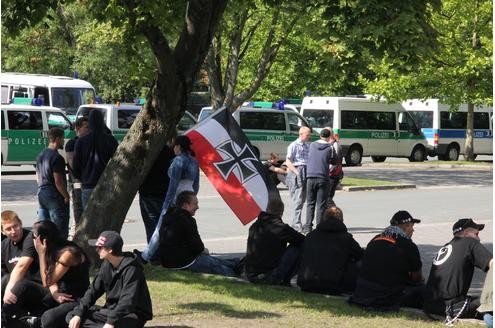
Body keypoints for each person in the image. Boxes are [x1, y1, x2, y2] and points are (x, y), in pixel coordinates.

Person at [3, 220, 90, 328]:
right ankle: (4, 318)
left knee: (48, 319)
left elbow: (47, 281)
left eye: (34, 237)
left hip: (72, 298)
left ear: (43, 239)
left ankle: (32, 322)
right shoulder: (50, 249)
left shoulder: (68, 253)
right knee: (22, 286)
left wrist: (41, 253)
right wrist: (54, 293)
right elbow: (51, 281)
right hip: (56, 293)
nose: (32, 240)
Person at [66, 231, 153, 328]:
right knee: (72, 316)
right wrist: (79, 313)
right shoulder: (106, 264)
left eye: (100, 247)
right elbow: (93, 291)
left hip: (132, 314)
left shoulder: (132, 270)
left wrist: (110, 322)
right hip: (111, 311)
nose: (96, 250)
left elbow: (128, 302)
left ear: (110, 250)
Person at [137, 135, 199, 263]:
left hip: (177, 197)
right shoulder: (194, 161)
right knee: (186, 226)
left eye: (174, 146)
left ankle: (146, 256)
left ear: (178, 147)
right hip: (189, 195)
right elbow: (196, 185)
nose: (173, 149)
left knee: (160, 227)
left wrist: (167, 202)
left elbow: (173, 185)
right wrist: (192, 197)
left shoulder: (178, 161)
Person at [349, 210, 424, 311]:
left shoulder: (375, 239)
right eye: (412, 226)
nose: (413, 230)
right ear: (405, 226)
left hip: (363, 293)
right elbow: (417, 278)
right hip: (387, 296)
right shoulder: (408, 245)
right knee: (424, 289)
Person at [424, 218, 493, 322]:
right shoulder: (470, 243)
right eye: (476, 234)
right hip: (453, 307)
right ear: (466, 233)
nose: (479, 239)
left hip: (431, 306)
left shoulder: (445, 247)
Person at [158, 191, 240, 276]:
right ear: (186, 205)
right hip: (183, 263)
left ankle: (237, 263)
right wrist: (203, 250)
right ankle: (236, 273)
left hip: (167, 261)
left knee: (212, 260)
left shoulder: (168, 215)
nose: (198, 207)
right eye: (195, 204)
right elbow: (198, 247)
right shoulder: (187, 220)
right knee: (215, 265)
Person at [297, 206, 363, 295]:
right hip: (334, 285)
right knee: (358, 261)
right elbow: (360, 254)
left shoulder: (310, 236)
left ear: (324, 218)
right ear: (341, 220)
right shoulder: (346, 238)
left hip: (307, 282)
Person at [245, 198, 305, 286]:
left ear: (267, 209)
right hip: (268, 275)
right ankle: (285, 279)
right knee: (298, 246)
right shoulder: (280, 228)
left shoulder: (255, 226)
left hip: (250, 274)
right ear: (281, 212)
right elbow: (302, 240)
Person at [1, 211, 41, 327]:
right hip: (17, 292)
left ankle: (3, 318)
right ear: (2, 231)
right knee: (5, 279)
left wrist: (8, 289)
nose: (13, 231)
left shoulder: (30, 238)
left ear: (21, 224)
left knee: (17, 283)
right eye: (8, 229)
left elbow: (22, 266)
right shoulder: (3, 245)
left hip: (36, 288)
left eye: (16, 226)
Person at [73, 110, 118, 209]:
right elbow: (117, 162)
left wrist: (81, 178)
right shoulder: (110, 140)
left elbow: (76, 166)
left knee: (89, 219)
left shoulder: (80, 142)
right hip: (106, 184)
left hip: (88, 185)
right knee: (105, 217)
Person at [36, 127, 71, 239]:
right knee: (59, 230)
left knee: (44, 230)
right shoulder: (57, 158)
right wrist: (66, 196)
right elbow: (58, 181)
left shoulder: (41, 155)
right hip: (54, 196)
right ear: (57, 139)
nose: (64, 141)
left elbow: (37, 176)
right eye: (62, 138)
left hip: (42, 193)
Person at [138, 143, 175, 242]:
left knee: (151, 228)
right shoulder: (169, 151)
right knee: (166, 227)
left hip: (147, 193)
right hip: (163, 193)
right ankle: (164, 252)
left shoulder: (143, 151)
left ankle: (153, 253)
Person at [304, 128, 336, 234]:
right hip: (323, 178)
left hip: (310, 177)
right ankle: (319, 227)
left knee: (310, 203)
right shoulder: (330, 148)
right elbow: (335, 162)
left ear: (320, 135)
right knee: (321, 204)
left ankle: (308, 227)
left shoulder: (312, 145)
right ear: (329, 137)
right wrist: (327, 169)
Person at [285, 126, 311, 233]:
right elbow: (288, 161)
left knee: (304, 199)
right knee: (298, 199)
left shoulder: (307, 146)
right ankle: (296, 224)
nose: (309, 137)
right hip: (297, 171)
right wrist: (297, 172)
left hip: (306, 170)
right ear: (301, 134)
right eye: (307, 134)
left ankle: (300, 223)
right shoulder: (293, 145)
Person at [65, 117, 89, 229]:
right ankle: (79, 228)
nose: (89, 130)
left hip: (89, 180)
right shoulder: (72, 143)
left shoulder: (90, 141)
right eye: (86, 127)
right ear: (78, 128)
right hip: (76, 180)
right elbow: (72, 164)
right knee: (78, 205)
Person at [327, 128, 343, 206]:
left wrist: (327, 172)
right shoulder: (330, 144)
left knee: (328, 198)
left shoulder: (335, 145)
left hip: (332, 175)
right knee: (327, 198)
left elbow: (335, 162)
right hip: (330, 174)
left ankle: (335, 214)